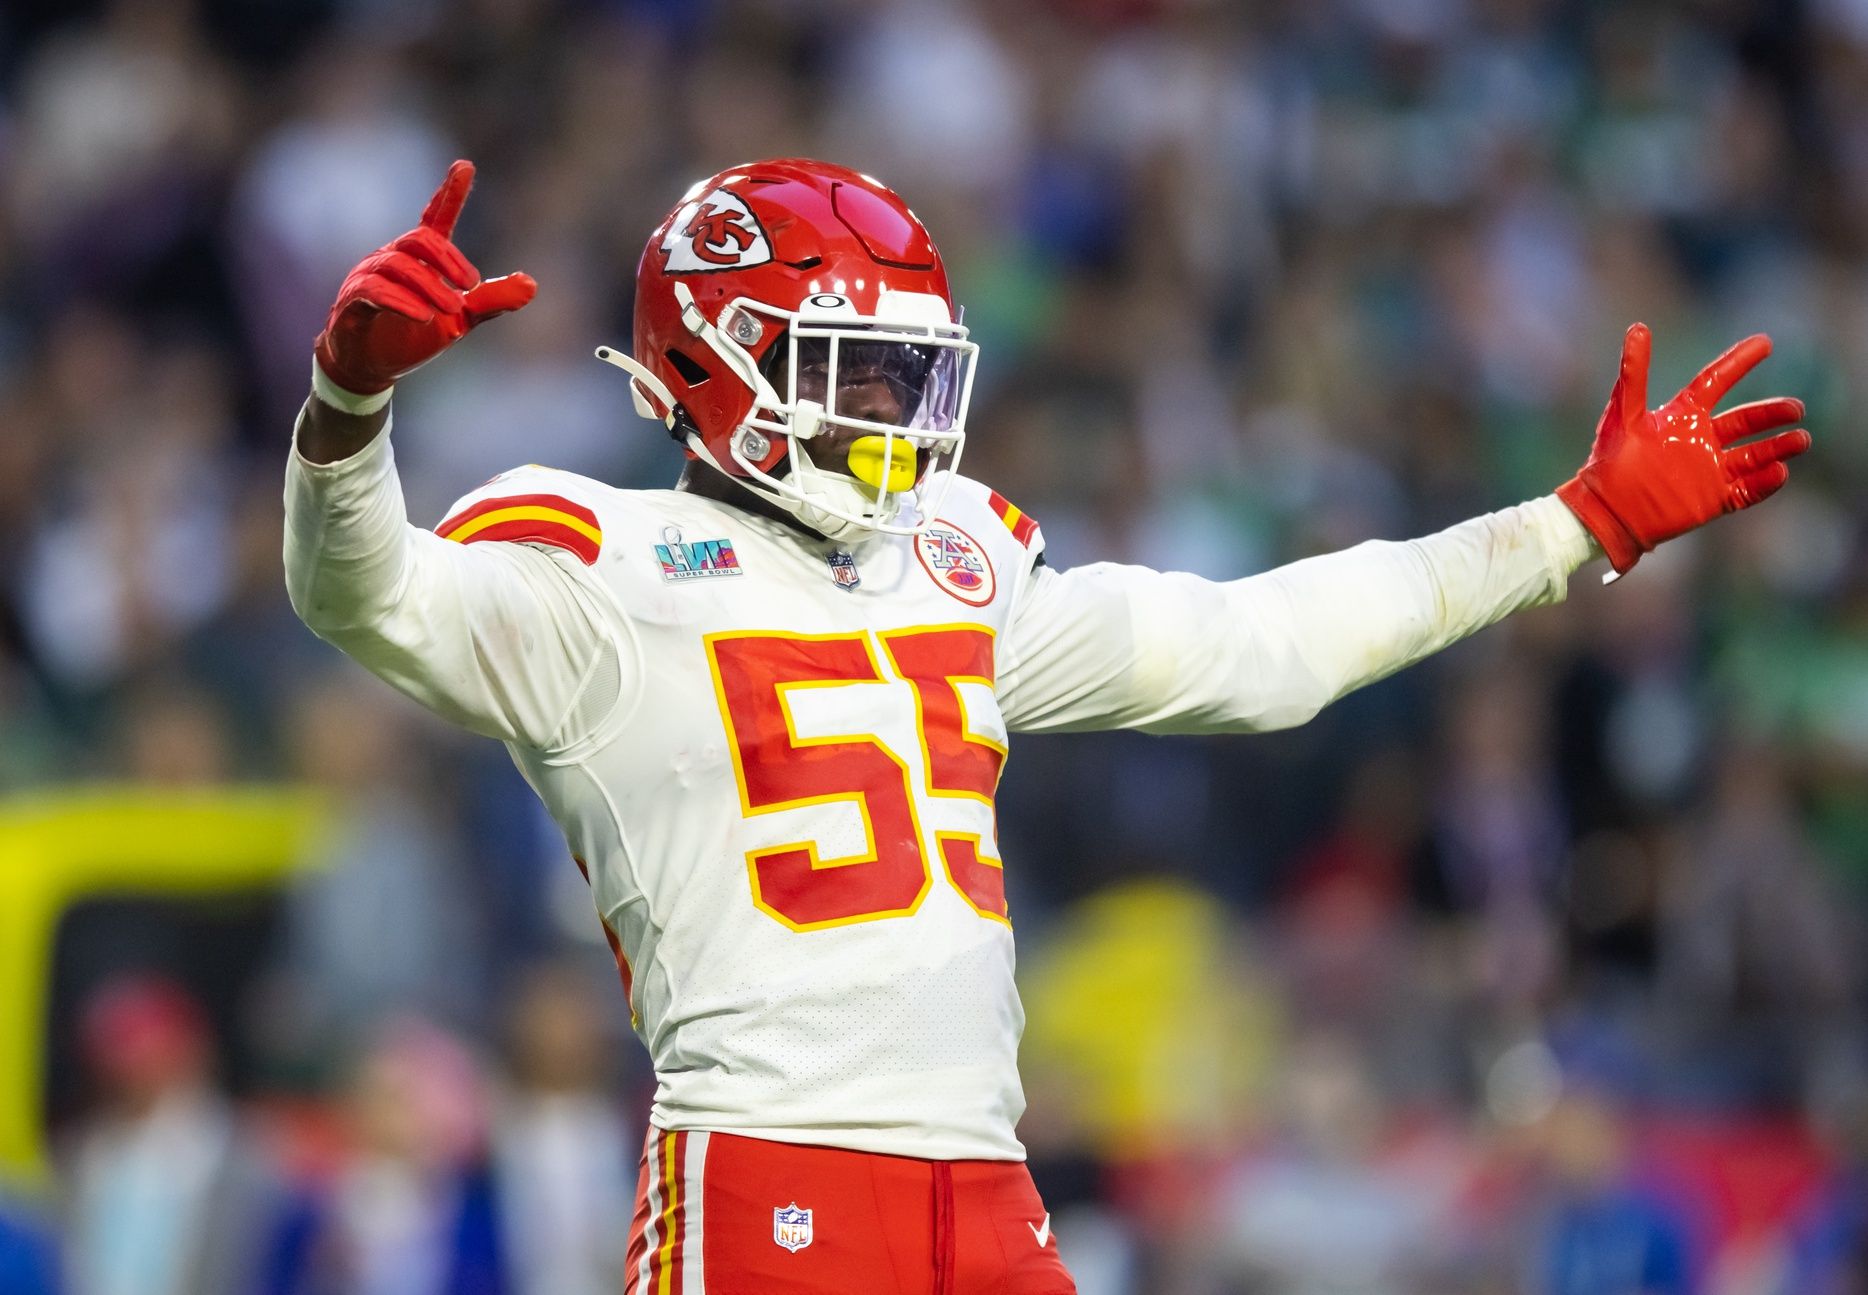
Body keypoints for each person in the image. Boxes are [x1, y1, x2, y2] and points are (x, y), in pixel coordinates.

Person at [283, 158, 1809, 1293]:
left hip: (989, 1190)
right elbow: (371, 598)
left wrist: (1568, 526)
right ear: (710, 360)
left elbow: (1259, 650)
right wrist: (348, 415)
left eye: (909, 372)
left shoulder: (952, 565)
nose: (893, 411)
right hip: (768, 1181)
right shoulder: (596, 574)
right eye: (851, 371)